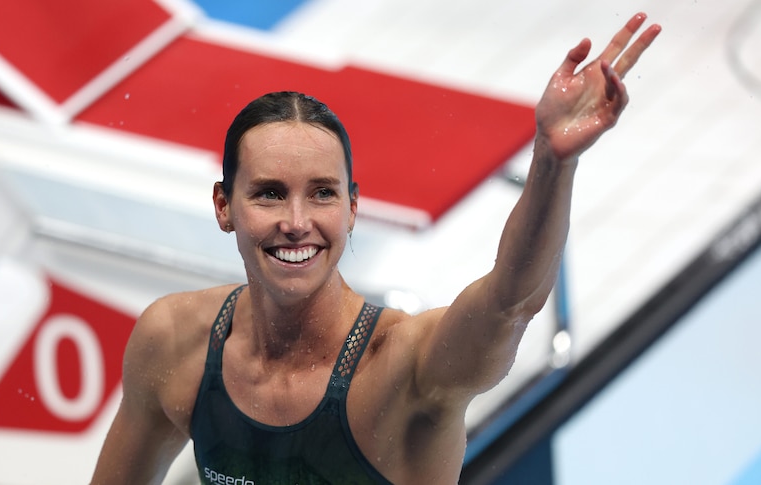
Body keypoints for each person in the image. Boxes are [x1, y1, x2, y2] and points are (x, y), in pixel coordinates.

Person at [91, 12, 661, 484]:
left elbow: (510, 302)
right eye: (269, 194)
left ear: (352, 209)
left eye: (322, 195)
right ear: (224, 207)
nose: (296, 222)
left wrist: (551, 161)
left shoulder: (405, 368)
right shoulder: (174, 345)